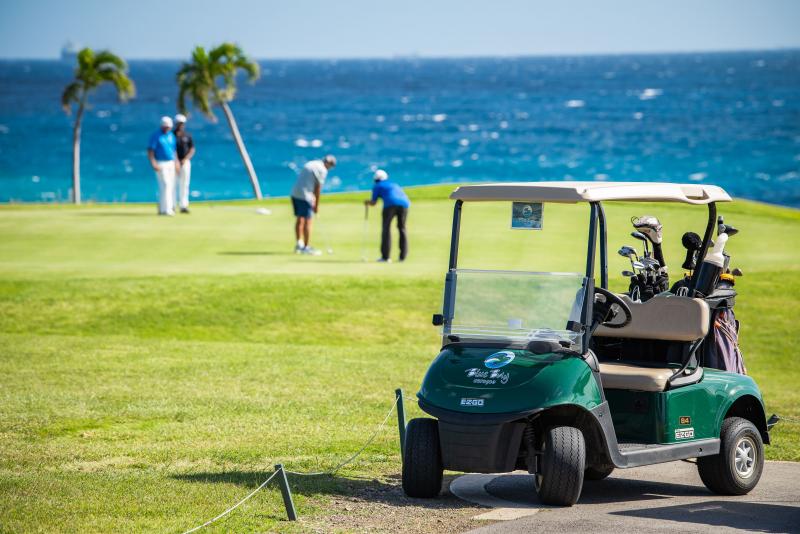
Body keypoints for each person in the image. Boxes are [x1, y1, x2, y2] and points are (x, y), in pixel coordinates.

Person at [290, 155, 336, 255]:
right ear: (328, 163)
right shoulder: (322, 169)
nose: (330, 168)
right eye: (331, 166)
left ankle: (299, 244)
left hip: (295, 193)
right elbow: (318, 188)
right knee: (308, 221)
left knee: (300, 219)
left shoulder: (312, 163)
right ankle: (306, 247)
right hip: (305, 195)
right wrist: (316, 206)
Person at [364, 169, 410, 262]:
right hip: (405, 204)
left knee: (386, 229)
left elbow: (373, 202)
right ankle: (402, 257)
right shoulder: (393, 184)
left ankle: (385, 257)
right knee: (402, 228)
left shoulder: (377, 185)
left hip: (390, 205)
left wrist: (367, 202)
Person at [147, 116, 179, 216]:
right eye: (166, 126)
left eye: (169, 127)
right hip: (160, 162)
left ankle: (164, 208)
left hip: (171, 163)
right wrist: (153, 162)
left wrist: (176, 162)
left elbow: (174, 151)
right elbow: (150, 150)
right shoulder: (156, 136)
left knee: (170, 186)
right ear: (162, 126)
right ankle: (166, 209)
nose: (167, 128)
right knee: (165, 185)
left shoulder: (171, 136)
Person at [173, 114, 195, 214]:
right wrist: (176, 160)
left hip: (185, 162)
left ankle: (183, 206)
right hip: (173, 163)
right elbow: (171, 149)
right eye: (179, 123)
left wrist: (185, 159)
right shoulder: (171, 135)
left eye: (182, 123)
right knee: (173, 184)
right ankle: (172, 205)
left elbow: (192, 149)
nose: (180, 125)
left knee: (184, 184)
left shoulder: (187, 135)